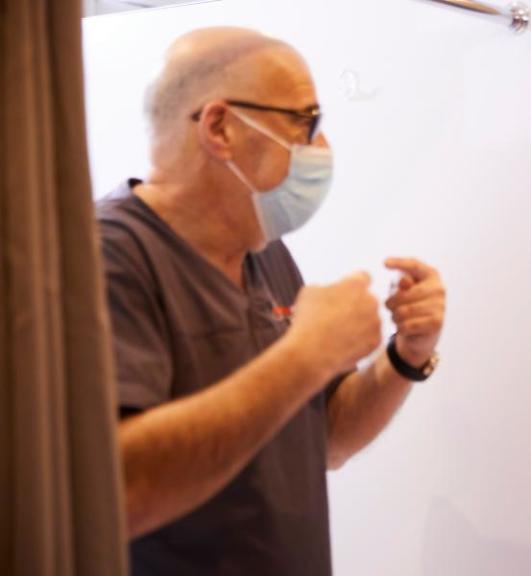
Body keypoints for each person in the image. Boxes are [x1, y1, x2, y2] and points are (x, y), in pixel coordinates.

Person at [96, 27, 446, 575]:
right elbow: (118, 488)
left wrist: (405, 355)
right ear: (220, 127)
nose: (321, 149)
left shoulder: (264, 252)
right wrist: (305, 355)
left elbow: (327, 438)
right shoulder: (109, 257)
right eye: (306, 123)